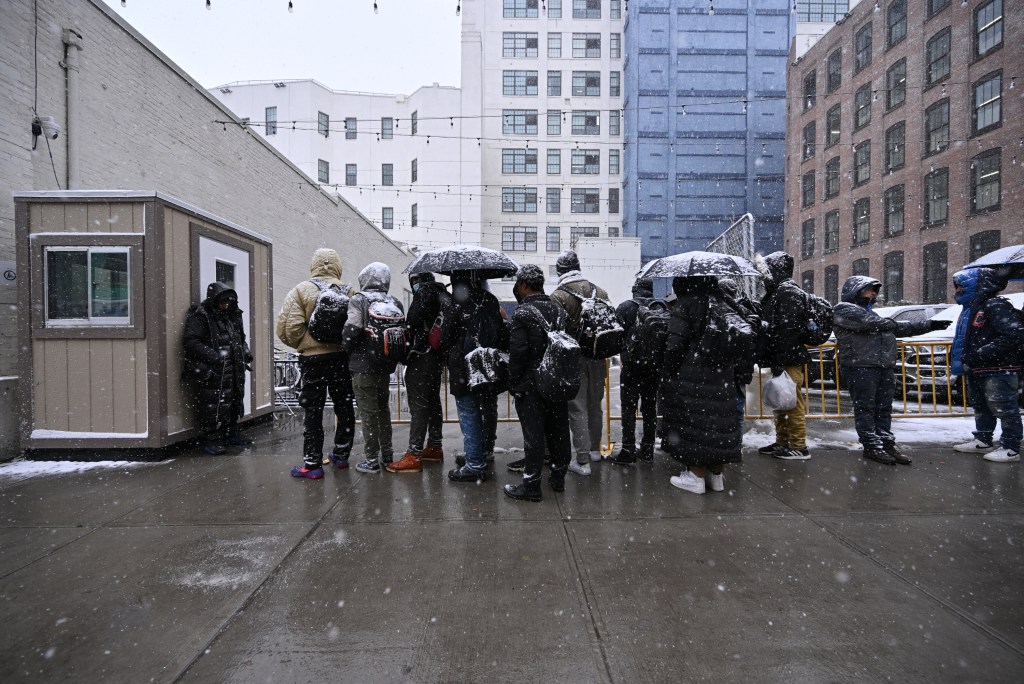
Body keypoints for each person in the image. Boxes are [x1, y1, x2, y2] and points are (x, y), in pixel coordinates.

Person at [833, 276, 950, 465]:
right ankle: (872, 446)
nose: (873, 294)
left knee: (883, 409)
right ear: (855, 290)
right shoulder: (844, 310)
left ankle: (886, 443)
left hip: (882, 367)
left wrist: (928, 325)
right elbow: (872, 323)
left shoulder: (872, 314)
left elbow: (897, 328)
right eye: (869, 289)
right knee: (866, 409)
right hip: (860, 368)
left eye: (875, 291)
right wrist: (891, 325)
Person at [660, 277, 753, 494]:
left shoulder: (687, 303)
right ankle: (716, 476)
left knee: (696, 423)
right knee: (719, 423)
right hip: (724, 375)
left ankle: (696, 477)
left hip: (694, 373)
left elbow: (675, 345)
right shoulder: (725, 301)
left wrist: (669, 371)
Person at [278, 249, 357, 479]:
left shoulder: (301, 290)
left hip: (313, 361)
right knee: (344, 405)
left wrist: (307, 344)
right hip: (341, 359)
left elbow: (288, 329)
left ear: (313, 265)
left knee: (313, 410)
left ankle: (312, 464)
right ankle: (341, 456)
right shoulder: (349, 291)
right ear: (337, 266)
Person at [503, 265, 572, 501]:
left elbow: (518, 353)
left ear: (523, 285)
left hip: (531, 384)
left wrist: (514, 382)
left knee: (534, 435)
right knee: (559, 431)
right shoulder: (559, 311)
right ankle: (558, 477)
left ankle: (532, 485)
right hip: (556, 381)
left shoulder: (523, 313)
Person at [440, 270, 509, 482]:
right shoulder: (490, 299)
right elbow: (500, 331)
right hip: (486, 363)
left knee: (468, 411)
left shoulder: (456, 302)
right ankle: (482, 451)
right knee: (487, 407)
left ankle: (475, 464)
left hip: (463, 365)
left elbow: (446, 336)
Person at [951, 268, 1024, 463]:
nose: (957, 290)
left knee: (1004, 407)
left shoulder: (994, 305)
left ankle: (1010, 447)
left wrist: (981, 354)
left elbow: (1014, 334)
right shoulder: (970, 308)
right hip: (977, 367)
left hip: (997, 368)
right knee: (981, 406)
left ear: (975, 286)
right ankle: (983, 439)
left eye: (961, 286)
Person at [550, 250, 611, 475]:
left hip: (573, 358)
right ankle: (595, 449)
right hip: (598, 356)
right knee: (596, 404)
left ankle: (582, 460)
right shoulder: (599, 291)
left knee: (577, 407)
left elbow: (555, 332)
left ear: (560, 271)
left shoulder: (558, 295)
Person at [343, 262, 404, 474]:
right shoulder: (394, 301)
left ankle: (370, 460)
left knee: (368, 414)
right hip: (384, 367)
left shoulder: (359, 300)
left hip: (363, 367)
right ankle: (387, 454)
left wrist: (348, 350)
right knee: (383, 411)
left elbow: (351, 331)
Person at [387, 272, 449, 473]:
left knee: (419, 405)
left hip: (422, 355)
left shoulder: (425, 294)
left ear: (418, 281)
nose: (413, 286)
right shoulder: (443, 294)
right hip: (437, 356)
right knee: (433, 401)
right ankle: (434, 445)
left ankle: (414, 454)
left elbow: (412, 321)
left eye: (414, 282)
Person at [183, 282, 253, 455]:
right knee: (211, 404)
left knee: (234, 399)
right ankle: (210, 439)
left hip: (234, 368)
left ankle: (230, 433)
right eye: (223, 302)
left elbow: (240, 338)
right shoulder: (202, 316)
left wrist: (245, 352)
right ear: (214, 300)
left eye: (229, 303)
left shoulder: (231, 316)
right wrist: (214, 357)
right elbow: (191, 342)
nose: (226, 305)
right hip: (213, 371)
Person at [757, 251, 813, 460]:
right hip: (783, 358)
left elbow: (787, 331)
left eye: (768, 271)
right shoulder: (780, 291)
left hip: (788, 359)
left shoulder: (788, 293)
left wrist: (779, 359)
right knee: (782, 402)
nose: (765, 275)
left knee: (793, 403)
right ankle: (783, 442)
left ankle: (798, 445)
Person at [610, 277, 658, 465]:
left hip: (631, 366)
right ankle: (648, 450)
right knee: (649, 409)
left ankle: (629, 450)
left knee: (629, 408)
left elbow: (615, 336)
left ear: (635, 289)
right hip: (654, 366)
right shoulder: (659, 307)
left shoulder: (626, 307)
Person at [718, 277, 762, 436]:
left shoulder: (721, 312)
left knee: (723, 406)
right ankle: (736, 441)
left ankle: (726, 440)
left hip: (725, 367)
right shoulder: (746, 311)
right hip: (741, 368)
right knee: (737, 406)